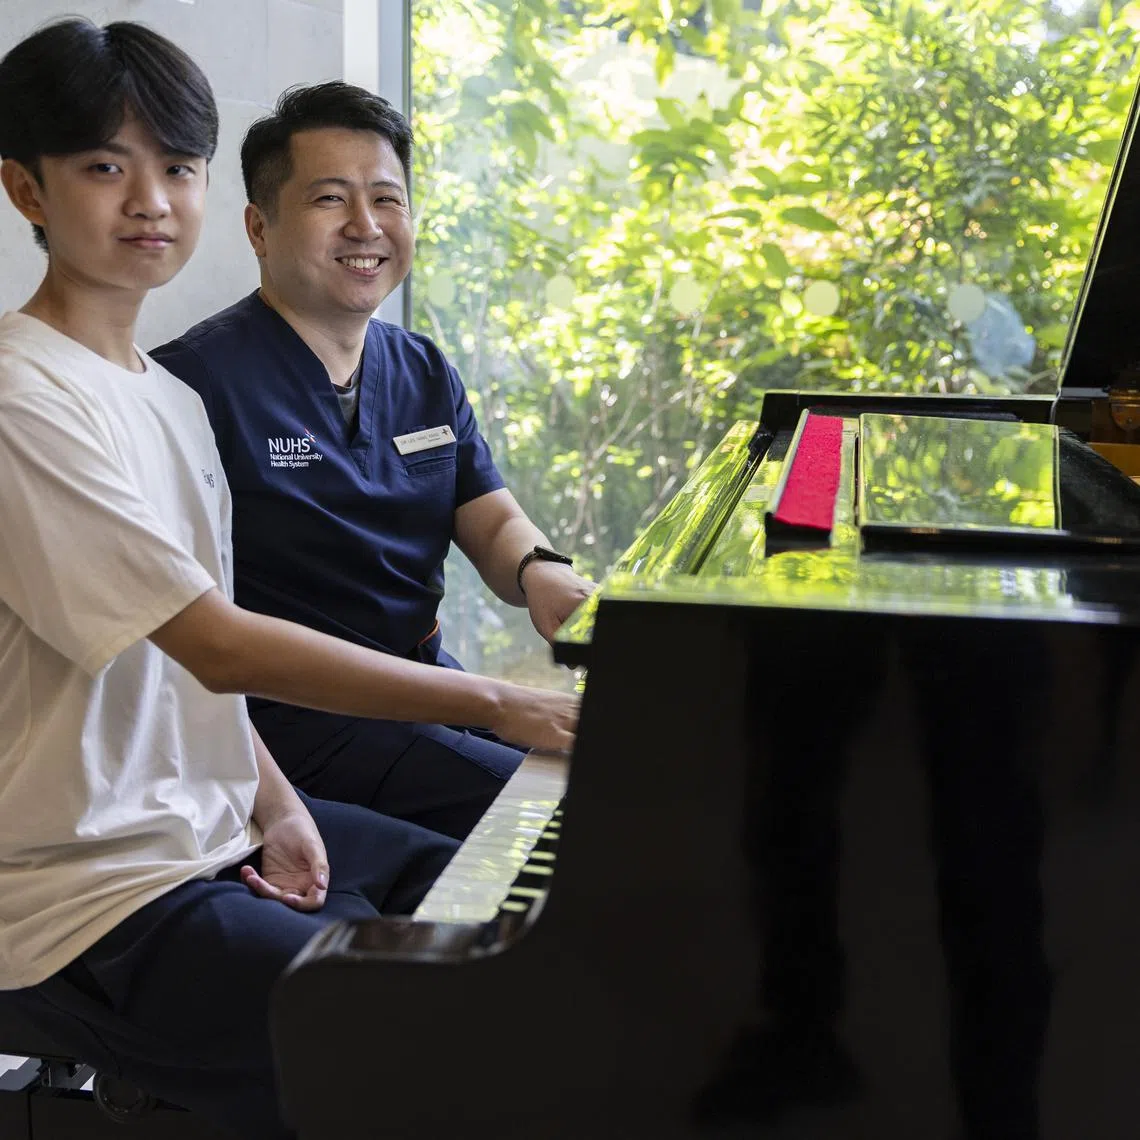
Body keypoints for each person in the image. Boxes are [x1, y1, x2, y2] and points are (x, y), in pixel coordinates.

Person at [0, 19, 575, 1140]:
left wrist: (275, 804)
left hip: (211, 826)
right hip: (90, 887)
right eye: (105, 169)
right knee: (429, 1035)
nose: (151, 201)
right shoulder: (29, 397)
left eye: (178, 168)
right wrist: (504, 704)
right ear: (27, 188)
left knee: (518, 910)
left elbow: (183, 662)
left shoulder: (164, 400)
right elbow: (217, 643)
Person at [151, 82, 595, 839]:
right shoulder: (190, 386)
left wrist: (540, 571)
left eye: (388, 199)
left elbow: (489, 517)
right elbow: (181, 637)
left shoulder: (421, 367)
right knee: (579, 813)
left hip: (426, 688)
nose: (366, 226)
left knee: (629, 761)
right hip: (297, 725)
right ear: (259, 228)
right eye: (331, 199)